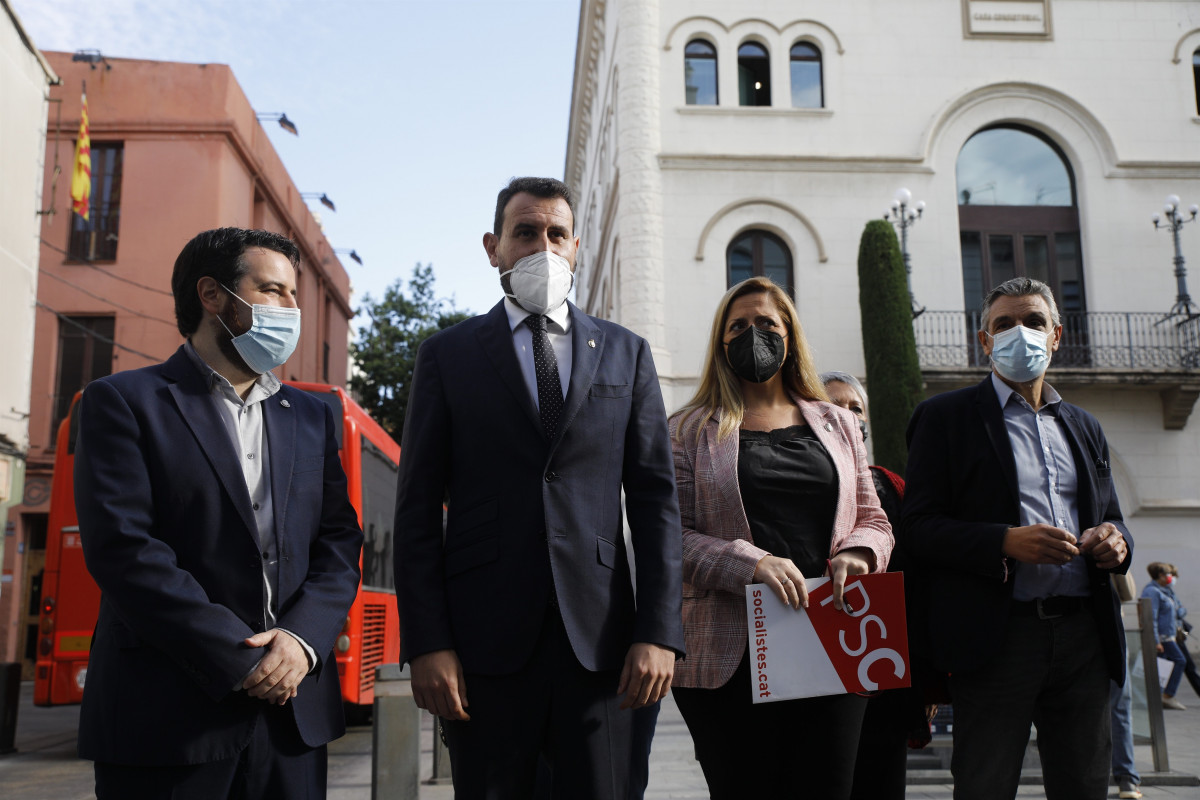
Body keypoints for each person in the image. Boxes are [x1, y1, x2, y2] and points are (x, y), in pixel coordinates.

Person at [393, 176, 684, 799]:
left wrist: (659, 631)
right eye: (525, 232)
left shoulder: (626, 353)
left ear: (576, 247)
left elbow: (656, 503)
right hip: (483, 650)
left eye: (557, 234)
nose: (542, 247)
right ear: (493, 247)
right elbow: (416, 511)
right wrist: (427, 644)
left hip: (603, 648)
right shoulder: (446, 356)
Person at [73, 228, 365, 799]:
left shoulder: (311, 417)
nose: (290, 308)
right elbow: (126, 551)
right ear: (212, 295)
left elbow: (338, 543)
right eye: (272, 290)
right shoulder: (125, 402)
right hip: (167, 722)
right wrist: (242, 659)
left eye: (293, 294)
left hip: (292, 722)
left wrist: (300, 643)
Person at [904, 277, 1132, 800]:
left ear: (1056, 335)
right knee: (984, 785)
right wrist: (1004, 541)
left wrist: (1116, 541)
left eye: (1033, 321)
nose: (1019, 332)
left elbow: (1113, 518)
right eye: (1004, 324)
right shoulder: (944, 418)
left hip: (1084, 637)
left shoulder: (1085, 426)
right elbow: (917, 528)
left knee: (1084, 787)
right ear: (984, 341)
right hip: (997, 639)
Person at [668, 277, 892, 800]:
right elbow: (670, 538)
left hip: (833, 636)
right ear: (721, 342)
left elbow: (874, 519)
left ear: (790, 336)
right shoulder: (686, 429)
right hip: (730, 652)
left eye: (767, 323)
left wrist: (859, 553)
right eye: (738, 326)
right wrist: (749, 562)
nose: (753, 334)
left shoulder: (838, 424)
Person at [821, 371, 932, 800]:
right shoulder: (789, 482)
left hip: (880, 671)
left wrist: (925, 679)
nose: (848, 415)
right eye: (835, 405)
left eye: (856, 408)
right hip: (813, 665)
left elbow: (917, 585)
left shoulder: (893, 487)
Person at [1142, 562, 1188, 709]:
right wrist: (1156, 640)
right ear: (1160, 575)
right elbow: (1151, 617)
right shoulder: (1152, 591)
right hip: (1163, 637)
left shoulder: (1166, 590)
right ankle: (1168, 696)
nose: (1171, 577)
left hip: (1169, 635)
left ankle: (1156, 697)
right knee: (1180, 660)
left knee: (1160, 669)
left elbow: (1180, 609)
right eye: (1169, 574)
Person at [1164, 563, 1200, 699]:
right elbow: (1175, 611)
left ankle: (1164, 695)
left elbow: (1181, 610)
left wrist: (1179, 611)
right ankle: (1166, 695)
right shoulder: (1157, 592)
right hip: (1167, 635)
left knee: (1180, 665)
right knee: (1183, 663)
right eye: (1172, 575)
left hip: (1176, 634)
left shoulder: (1169, 591)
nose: (1173, 579)